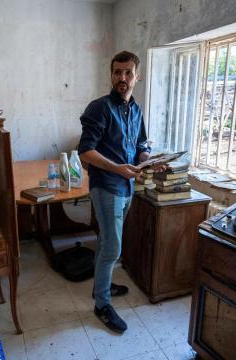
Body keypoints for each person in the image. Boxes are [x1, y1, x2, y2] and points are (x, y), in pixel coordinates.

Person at [77, 50, 155, 334]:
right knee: (113, 247)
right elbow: (85, 151)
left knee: (108, 245)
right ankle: (102, 304)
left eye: (127, 73)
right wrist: (118, 168)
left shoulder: (136, 110)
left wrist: (149, 160)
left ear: (137, 76)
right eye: (117, 72)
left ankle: (103, 285)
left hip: (127, 185)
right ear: (111, 75)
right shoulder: (99, 108)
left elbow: (141, 145)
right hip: (107, 186)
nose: (122, 78)